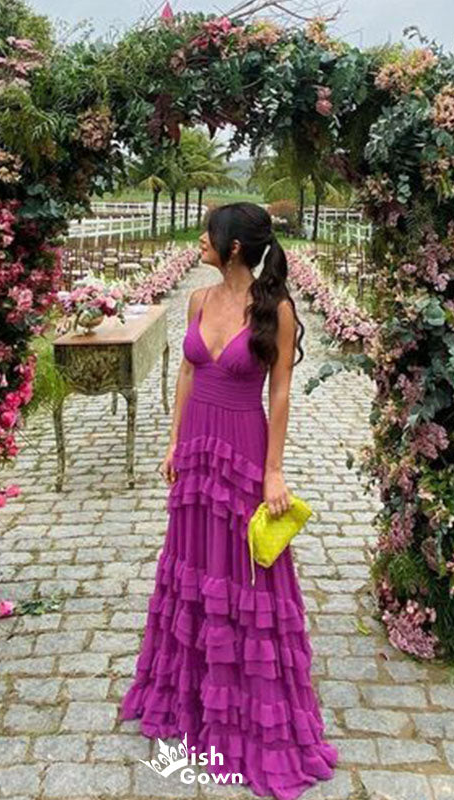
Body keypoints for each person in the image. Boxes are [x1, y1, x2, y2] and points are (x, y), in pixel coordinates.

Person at [118, 202, 339, 800]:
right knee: (193, 565)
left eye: (208, 232)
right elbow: (188, 375)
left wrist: (274, 471)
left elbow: (281, 393)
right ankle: (189, 695)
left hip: (243, 448)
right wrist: (173, 441)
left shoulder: (276, 309)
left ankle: (244, 703)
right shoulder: (197, 299)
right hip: (196, 450)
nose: (200, 239)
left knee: (246, 573)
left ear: (233, 246)